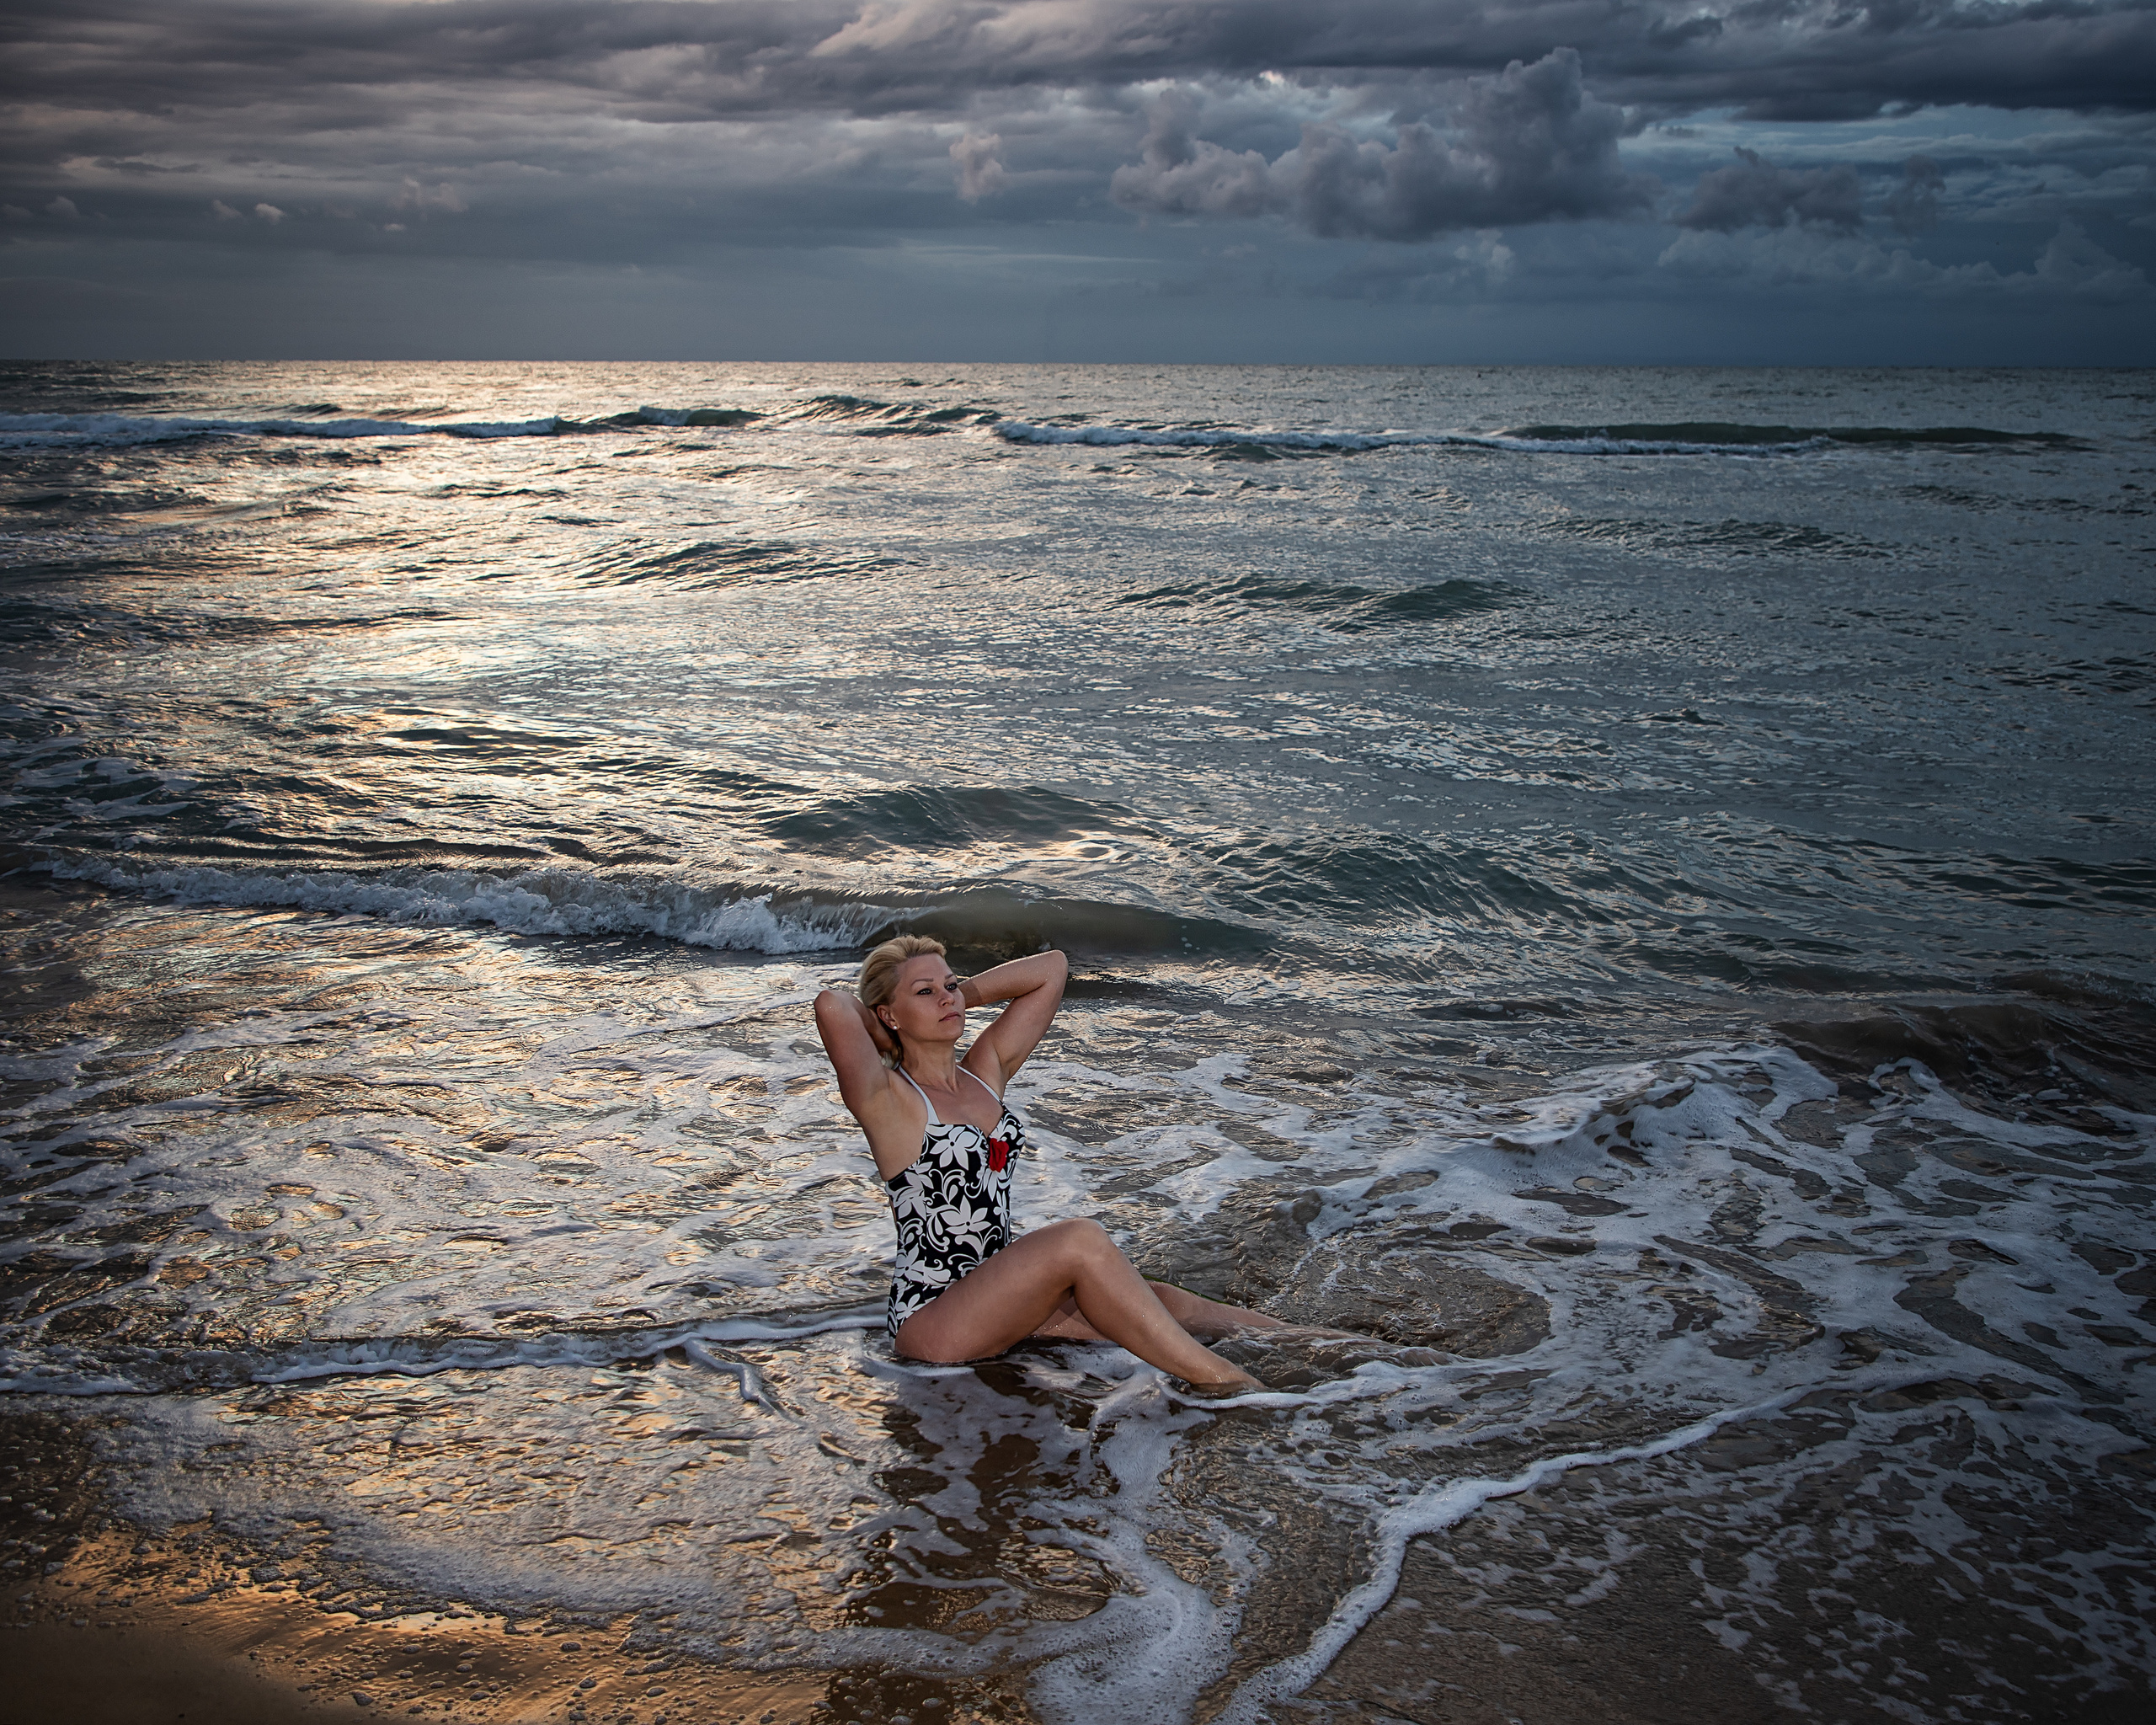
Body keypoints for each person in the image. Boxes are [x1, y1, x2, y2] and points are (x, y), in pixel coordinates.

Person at [814, 935, 1285, 1392]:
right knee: (1080, 1240)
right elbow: (833, 1004)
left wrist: (956, 997)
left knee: (1163, 1303)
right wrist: (889, 1032)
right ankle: (1230, 1383)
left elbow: (1051, 968)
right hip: (933, 1320)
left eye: (950, 985)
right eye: (925, 992)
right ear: (887, 1013)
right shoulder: (888, 1098)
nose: (946, 999)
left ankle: (1334, 1348)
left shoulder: (984, 1074)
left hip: (1002, 1297)